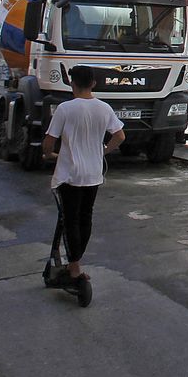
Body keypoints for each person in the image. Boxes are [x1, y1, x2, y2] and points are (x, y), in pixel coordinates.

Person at [41, 65, 124, 294]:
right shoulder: (104, 108)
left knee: (70, 220)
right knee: (85, 217)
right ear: (93, 84)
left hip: (70, 175)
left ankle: (74, 267)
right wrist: (103, 151)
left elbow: (49, 141)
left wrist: (48, 154)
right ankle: (75, 264)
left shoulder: (65, 109)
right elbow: (119, 136)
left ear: (72, 83)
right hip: (93, 174)